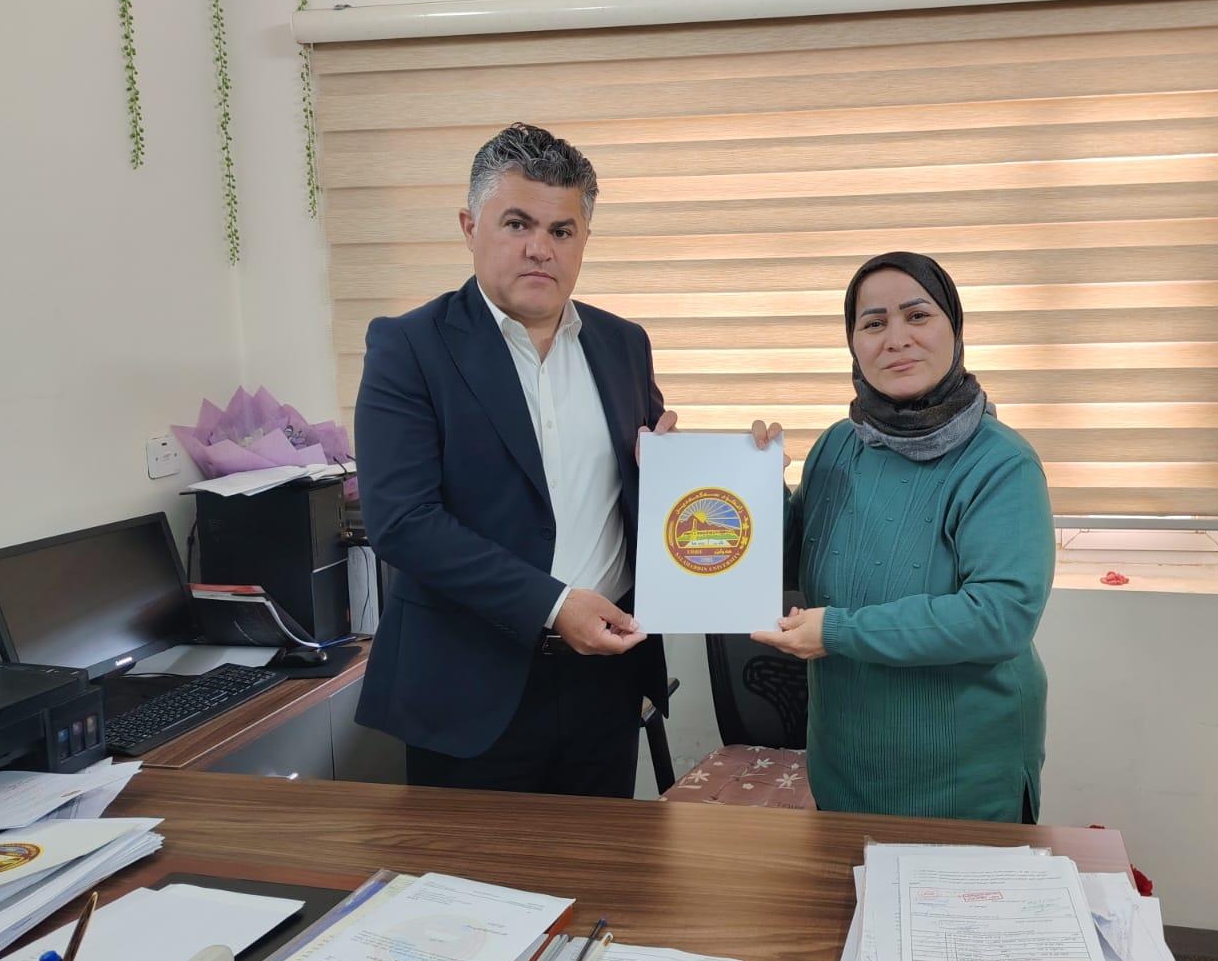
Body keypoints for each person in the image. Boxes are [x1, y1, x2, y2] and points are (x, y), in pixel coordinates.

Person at [354, 122, 675, 797]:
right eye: (517, 223)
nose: (540, 248)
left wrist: (701, 472)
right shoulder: (408, 347)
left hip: (606, 684)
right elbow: (403, 522)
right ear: (470, 227)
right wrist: (553, 605)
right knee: (472, 870)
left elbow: (635, 491)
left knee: (601, 865)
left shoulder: (624, 344)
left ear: (584, 240)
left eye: (562, 230)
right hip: (469, 689)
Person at [749, 251, 1055, 823]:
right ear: (853, 343)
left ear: (953, 328)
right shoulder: (838, 444)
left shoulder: (1001, 463)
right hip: (845, 761)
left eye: (918, 316)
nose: (896, 339)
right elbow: (789, 562)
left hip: (964, 777)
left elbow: (1000, 616)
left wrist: (837, 631)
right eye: (873, 323)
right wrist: (743, 488)